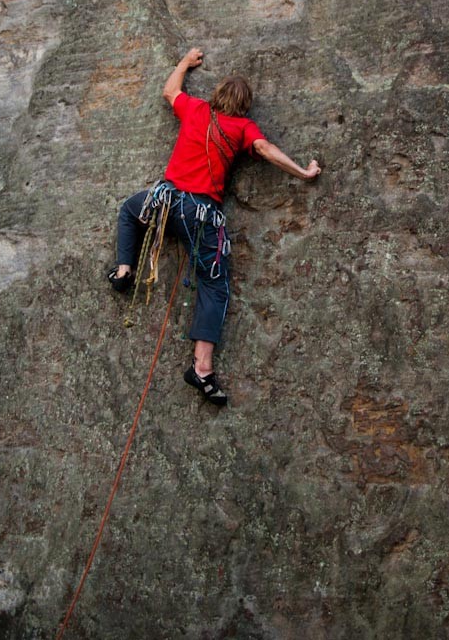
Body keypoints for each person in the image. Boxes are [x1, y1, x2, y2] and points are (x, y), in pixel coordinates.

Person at [108, 48, 321, 406]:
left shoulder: (195, 109)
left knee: (131, 211)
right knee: (214, 284)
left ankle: (124, 269)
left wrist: (185, 63)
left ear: (217, 95)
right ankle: (202, 368)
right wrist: (303, 171)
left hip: (166, 201)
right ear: (245, 105)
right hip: (202, 215)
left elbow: (170, 92)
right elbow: (266, 150)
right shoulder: (242, 128)